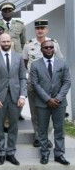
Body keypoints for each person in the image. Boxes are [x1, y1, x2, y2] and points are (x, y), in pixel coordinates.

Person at [23, 19, 63, 148]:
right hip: (33, 84)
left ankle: (47, 137)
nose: (40, 30)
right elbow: (25, 62)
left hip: (51, 84)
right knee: (35, 113)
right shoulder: (28, 45)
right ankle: (38, 137)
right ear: (35, 30)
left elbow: (59, 62)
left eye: (43, 28)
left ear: (47, 29)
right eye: (38, 28)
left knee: (50, 112)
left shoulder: (54, 44)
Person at [30, 40, 71, 165]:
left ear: (54, 49)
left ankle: (59, 154)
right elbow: (35, 84)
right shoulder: (35, 65)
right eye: (46, 47)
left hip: (59, 103)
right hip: (43, 103)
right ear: (41, 50)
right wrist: (48, 99)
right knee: (42, 130)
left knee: (59, 129)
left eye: (51, 47)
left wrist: (57, 98)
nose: (48, 49)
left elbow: (67, 82)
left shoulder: (62, 64)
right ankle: (45, 154)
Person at [0, 33, 27, 166]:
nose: (6, 44)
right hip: (0, 97)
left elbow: (23, 77)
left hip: (16, 97)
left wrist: (22, 96)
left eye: (8, 41)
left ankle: (11, 153)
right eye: (3, 42)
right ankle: (1, 152)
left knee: (13, 126)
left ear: (11, 42)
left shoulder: (19, 58)